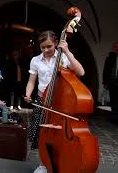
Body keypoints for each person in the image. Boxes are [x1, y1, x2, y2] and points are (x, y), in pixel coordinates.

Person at [23, 30, 85, 172]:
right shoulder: (35, 60)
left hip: (60, 102)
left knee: (59, 134)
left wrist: (67, 51)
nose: (46, 50)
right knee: (41, 134)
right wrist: (28, 94)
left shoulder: (63, 57)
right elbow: (31, 81)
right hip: (42, 100)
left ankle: (62, 162)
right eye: (43, 47)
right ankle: (43, 164)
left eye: (49, 46)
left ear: (56, 43)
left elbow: (81, 72)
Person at [103, 41, 118, 123]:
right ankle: (114, 117)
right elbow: (106, 70)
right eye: (115, 47)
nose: (117, 48)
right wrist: (104, 82)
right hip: (112, 82)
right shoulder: (110, 57)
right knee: (113, 100)